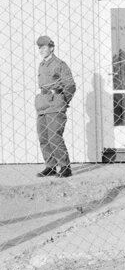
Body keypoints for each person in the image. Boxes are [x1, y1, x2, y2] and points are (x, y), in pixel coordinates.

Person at [35, 35, 76, 178]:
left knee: (54, 136)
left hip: (55, 105)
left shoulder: (60, 64)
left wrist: (63, 101)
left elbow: (70, 85)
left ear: (51, 48)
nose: (41, 50)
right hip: (42, 105)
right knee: (43, 137)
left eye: (44, 47)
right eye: (39, 48)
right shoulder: (41, 65)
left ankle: (65, 167)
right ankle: (51, 166)